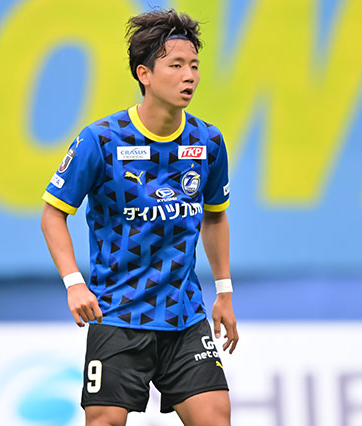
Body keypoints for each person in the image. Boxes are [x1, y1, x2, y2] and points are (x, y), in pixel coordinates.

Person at [40, 9, 239, 426]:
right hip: (117, 315)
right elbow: (53, 214)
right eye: (176, 65)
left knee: (216, 418)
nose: (189, 76)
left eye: (194, 66)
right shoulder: (101, 141)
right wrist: (74, 284)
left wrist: (224, 292)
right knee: (104, 421)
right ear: (144, 74)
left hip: (184, 316)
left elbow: (214, 218)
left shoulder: (207, 141)